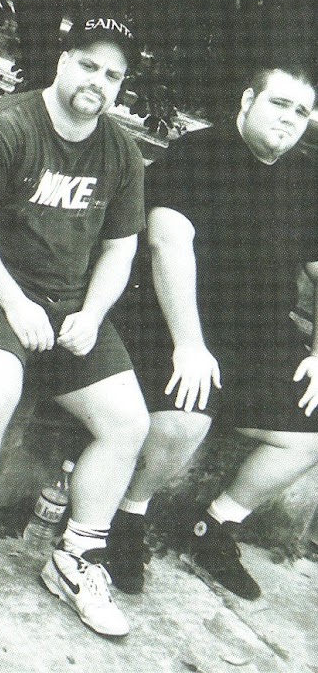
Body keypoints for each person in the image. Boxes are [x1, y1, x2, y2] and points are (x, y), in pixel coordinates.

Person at [0, 16, 150, 638]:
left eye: (113, 74)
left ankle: (76, 557)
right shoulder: (5, 125)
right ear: (63, 60)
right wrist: (15, 302)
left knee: (128, 421)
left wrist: (93, 314)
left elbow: (120, 249)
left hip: (69, 304)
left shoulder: (121, 151)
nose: (98, 81)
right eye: (89, 65)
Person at [105, 62, 318, 601]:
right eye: (278, 103)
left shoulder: (304, 181)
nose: (289, 118)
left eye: (301, 111)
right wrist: (189, 344)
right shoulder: (198, 155)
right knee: (185, 419)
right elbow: (167, 245)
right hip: (171, 322)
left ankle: (214, 525)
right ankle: (126, 516)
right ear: (247, 101)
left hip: (259, 338)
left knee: (312, 428)